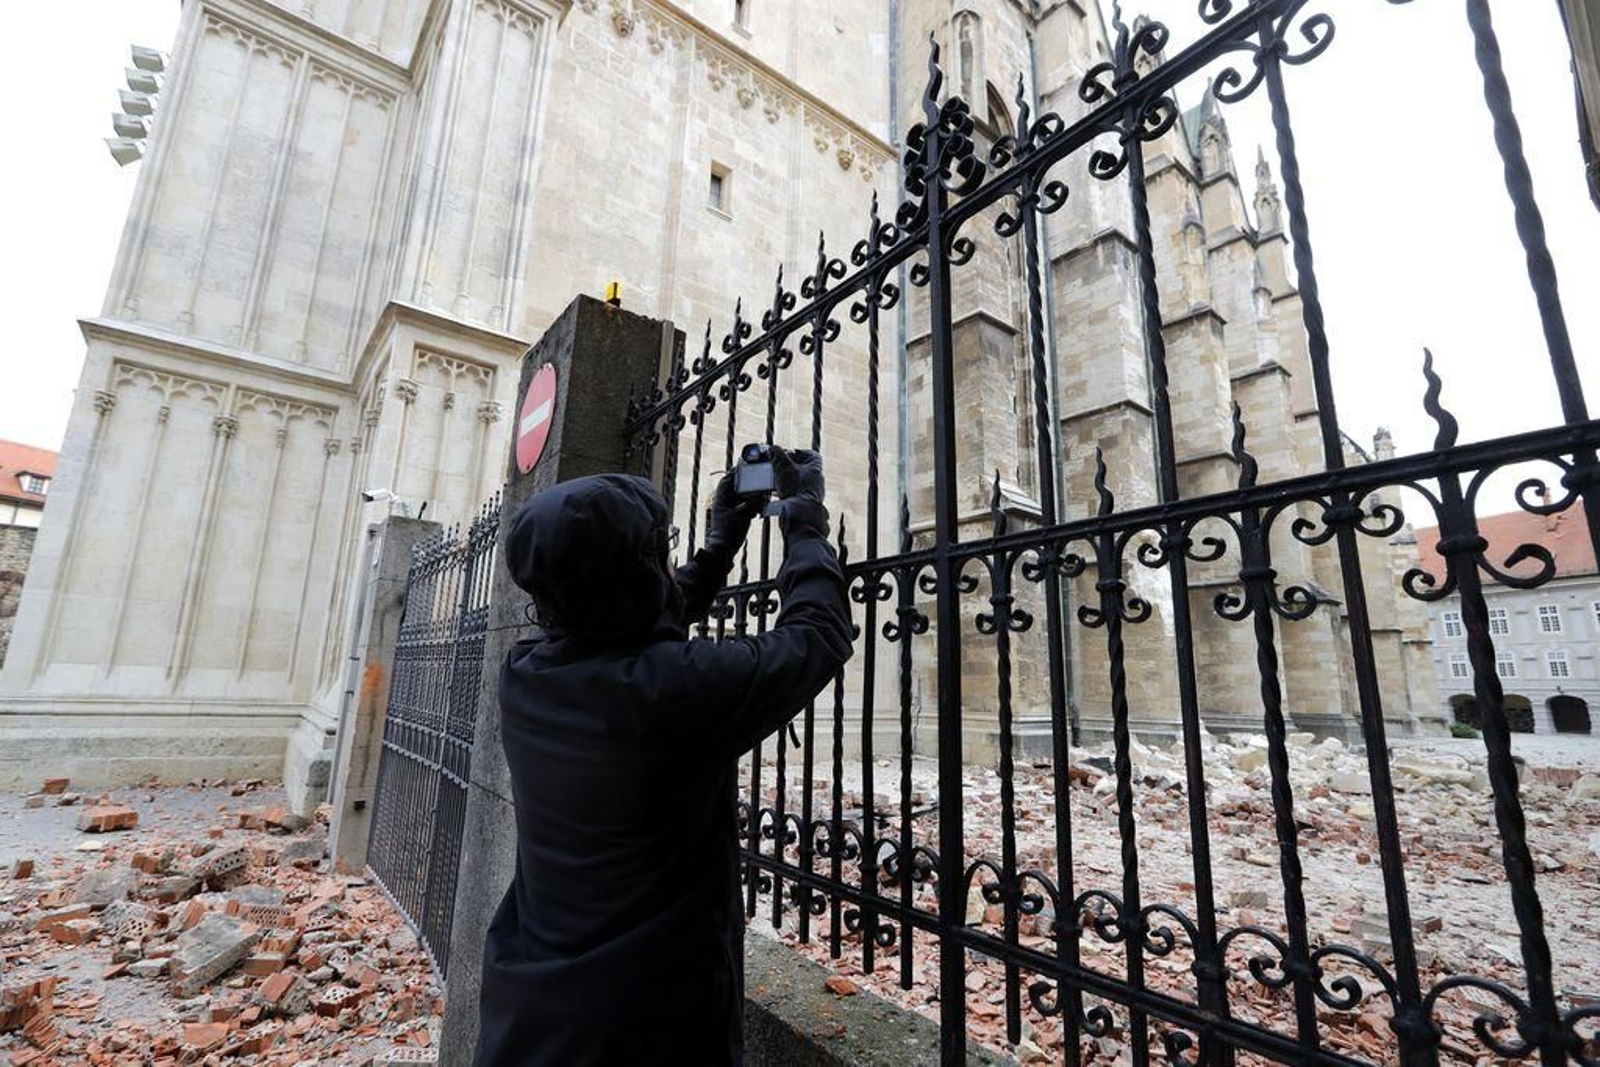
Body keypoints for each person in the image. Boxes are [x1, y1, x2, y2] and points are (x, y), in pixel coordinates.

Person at [474, 448, 852, 1066]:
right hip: (642, 1025)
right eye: (657, 548)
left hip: (533, 1007)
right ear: (636, 571)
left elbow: (625, 614)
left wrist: (719, 544)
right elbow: (816, 636)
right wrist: (805, 524)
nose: (663, 561)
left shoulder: (528, 675)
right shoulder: (665, 693)